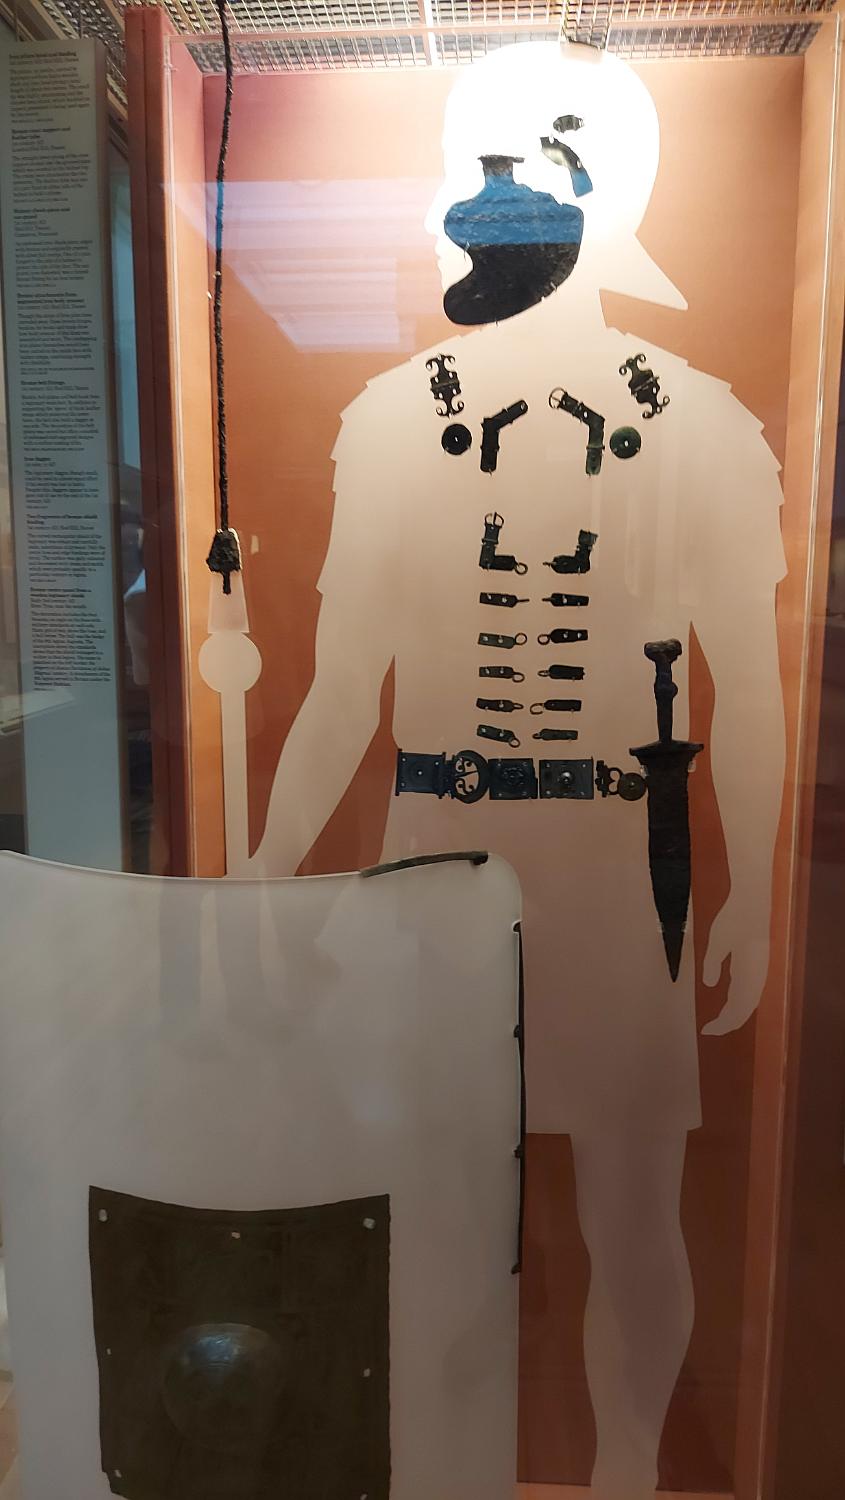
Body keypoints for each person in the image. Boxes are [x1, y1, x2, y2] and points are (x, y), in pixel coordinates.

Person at [250, 42, 786, 1499]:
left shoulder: (705, 426)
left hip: (620, 861)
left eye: (525, 162)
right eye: (472, 163)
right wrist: (267, 865)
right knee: (430, 1205)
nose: (486, 194)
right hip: (433, 859)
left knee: (632, 1202)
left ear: (608, 193)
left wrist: (749, 889)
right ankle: (436, 1470)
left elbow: (749, 684)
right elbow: (343, 686)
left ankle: (626, 1472)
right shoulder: (387, 418)